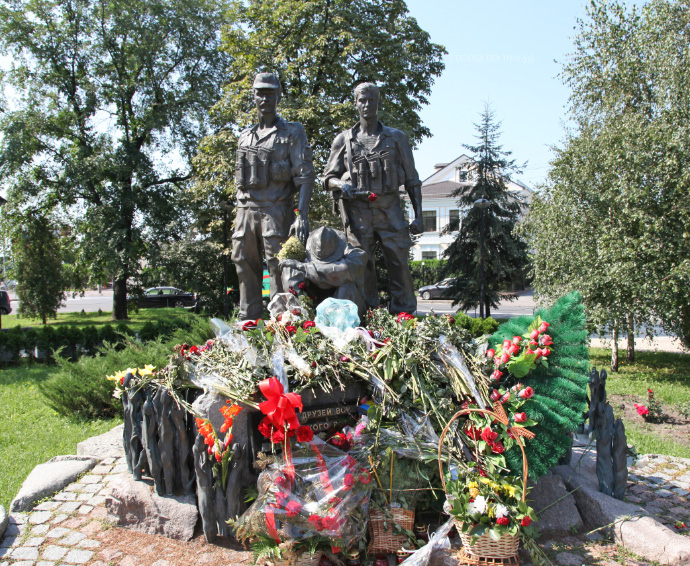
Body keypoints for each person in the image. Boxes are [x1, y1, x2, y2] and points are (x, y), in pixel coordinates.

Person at [322, 82, 423, 314]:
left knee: (399, 265)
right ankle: (368, 317)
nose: (367, 104)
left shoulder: (397, 138)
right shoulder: (344, 140)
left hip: (390, 211)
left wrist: (418, 216)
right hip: (358, 215)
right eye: (362, 100)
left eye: (372, 100)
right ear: (355, 103)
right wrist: (341, 184)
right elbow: (327, 178)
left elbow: (412, 180)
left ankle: (405, 316)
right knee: (361, 267)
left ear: (378, 102)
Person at [231, 72, 315, 320]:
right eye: (260, 92)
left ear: (278, 95)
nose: (264, 98)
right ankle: (249, 319)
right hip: (246, 209)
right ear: (254, 96)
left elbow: (305, 176)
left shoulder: (292, 132)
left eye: (270, 92)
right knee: (242, 260)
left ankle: (282, 321)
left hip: (276, 209)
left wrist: (301, 215)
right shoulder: (245, 135)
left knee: (278, 265)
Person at [279, 226, 368, 316]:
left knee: (347, 287)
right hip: (316, 305)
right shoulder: (305, 259)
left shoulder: (356, 256)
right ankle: (300, 318)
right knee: (290, 268)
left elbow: (339, 271)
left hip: (346, 306)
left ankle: (340, 326)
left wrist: (304, 268)